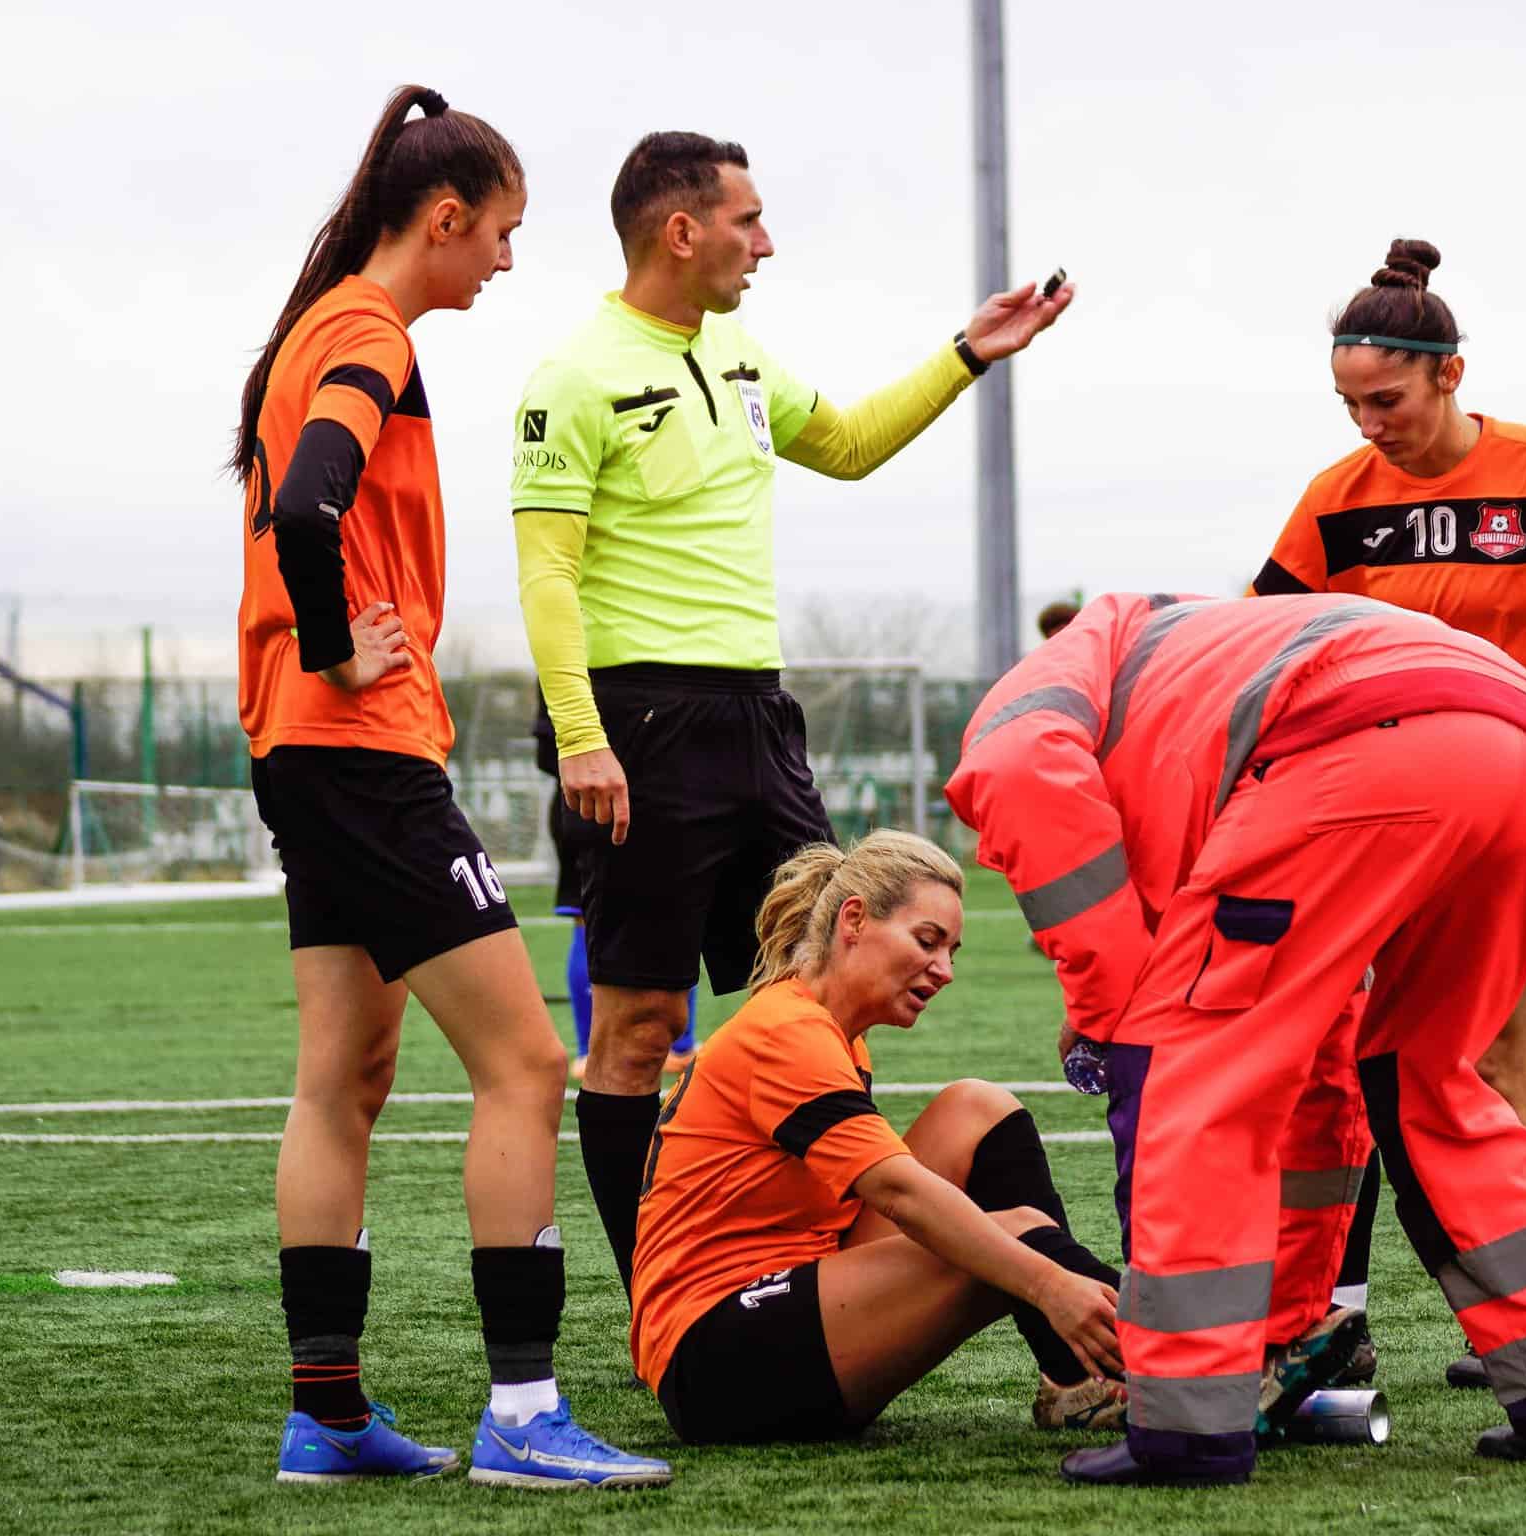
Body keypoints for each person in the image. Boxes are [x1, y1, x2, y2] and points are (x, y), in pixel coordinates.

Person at [509, 131, 1076, 1292]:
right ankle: (662, 1290)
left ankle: (811, 1253)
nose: (764, 242)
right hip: (643, 722)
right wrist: (581, 735)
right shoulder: (575, 376)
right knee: (637, 1026)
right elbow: (547, 575)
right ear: (683, 230)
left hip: (761, 721)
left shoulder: (741, 355)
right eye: (747, 220)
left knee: (830, 983)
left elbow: (854, 445)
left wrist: (970, 351)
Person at [947, 591, 1526, 1488]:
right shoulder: (1191, 671)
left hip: (1358, 743)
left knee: (1191, 1080)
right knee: (1428, 1079)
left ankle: (1188, 1429)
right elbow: (1321, 1080)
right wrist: (1283, 1327)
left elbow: (1019, 777)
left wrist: (1106, 1013)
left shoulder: (1040, 697)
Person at [234, 85, 668, 1491]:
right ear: (442, 219)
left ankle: (328, 1417)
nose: (506, 258)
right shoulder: (364, 332)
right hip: (356, 752)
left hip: (303, 751)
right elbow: (308, 504)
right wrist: (329, 640)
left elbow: (302, 505)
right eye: (502, 233)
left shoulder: (327, 327)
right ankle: (525, 1415)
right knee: (528, 1062)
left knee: (345, 1079)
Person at [1253, 240, 1526, 1386]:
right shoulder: (1336, 499)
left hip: (1508, 812)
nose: (1367, 424)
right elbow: (1260, 639)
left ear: (1452, 376)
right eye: (1348, 403)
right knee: (1345, 1062)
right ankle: (1333, 1320)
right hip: (1373, 817)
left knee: (1493, 1062)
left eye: (1386, 400)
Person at [630, 831, 1129, 1444]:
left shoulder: (835, 1033)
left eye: (952, 951)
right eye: (927, 941)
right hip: (714, 1361)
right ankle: (1186, 1360)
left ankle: (1081, 1379)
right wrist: (1050, 1284)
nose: (944, 970)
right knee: (1015, 1235)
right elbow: (902, 1193)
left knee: (977, 1108)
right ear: (855, 920)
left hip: (790, 1293)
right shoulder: (785, 1032)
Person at [532, 691, 695, 1081]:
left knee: (675, 913)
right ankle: (594, 1050)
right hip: (591, 802)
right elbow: (547, 750)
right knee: (597, 920)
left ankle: (676, 1045)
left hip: (643, 801)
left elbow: (544, 750)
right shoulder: (567, 656)